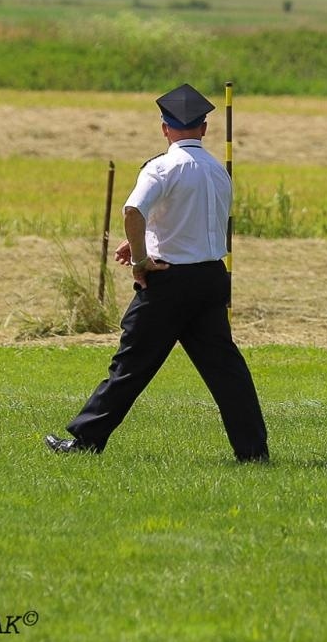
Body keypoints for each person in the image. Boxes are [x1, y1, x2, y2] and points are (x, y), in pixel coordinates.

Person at [46, 83, 270, 461]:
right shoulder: (219, 170)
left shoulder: (162, 167)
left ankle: (85, 441)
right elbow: (193, 222)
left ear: (164, 128)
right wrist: (145, 241)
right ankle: (252, 451)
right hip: (212, 277)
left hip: (168, 282)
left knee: (130, 365)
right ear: (204, 128)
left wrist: (139, 260)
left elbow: (132, 211)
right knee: (226, 371)